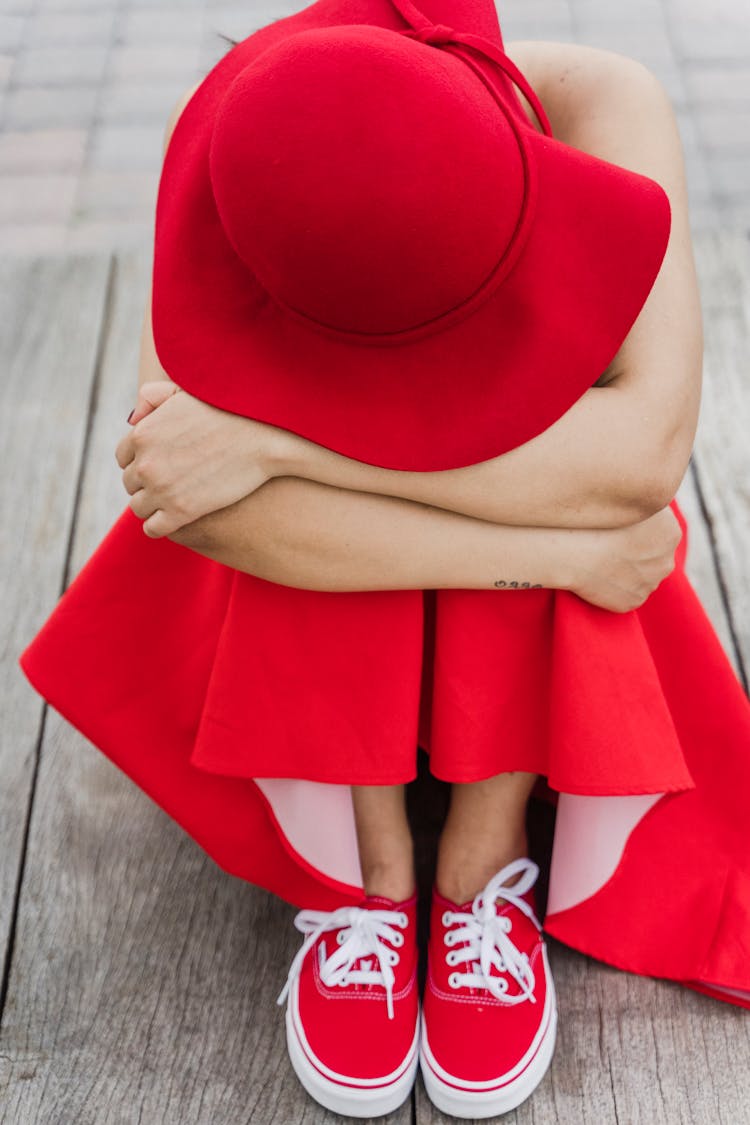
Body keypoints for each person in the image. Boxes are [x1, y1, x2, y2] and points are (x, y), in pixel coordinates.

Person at [19, 0, 750, 1120]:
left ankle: (478, 867)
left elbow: (639, 464)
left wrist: (279, 439)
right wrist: (557, 549)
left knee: (492, 466)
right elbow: (208, 514)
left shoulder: (611, 110)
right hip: (356, 592)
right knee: (345, 508)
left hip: (505, 578)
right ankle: (373, 881)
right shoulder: (256, 149)